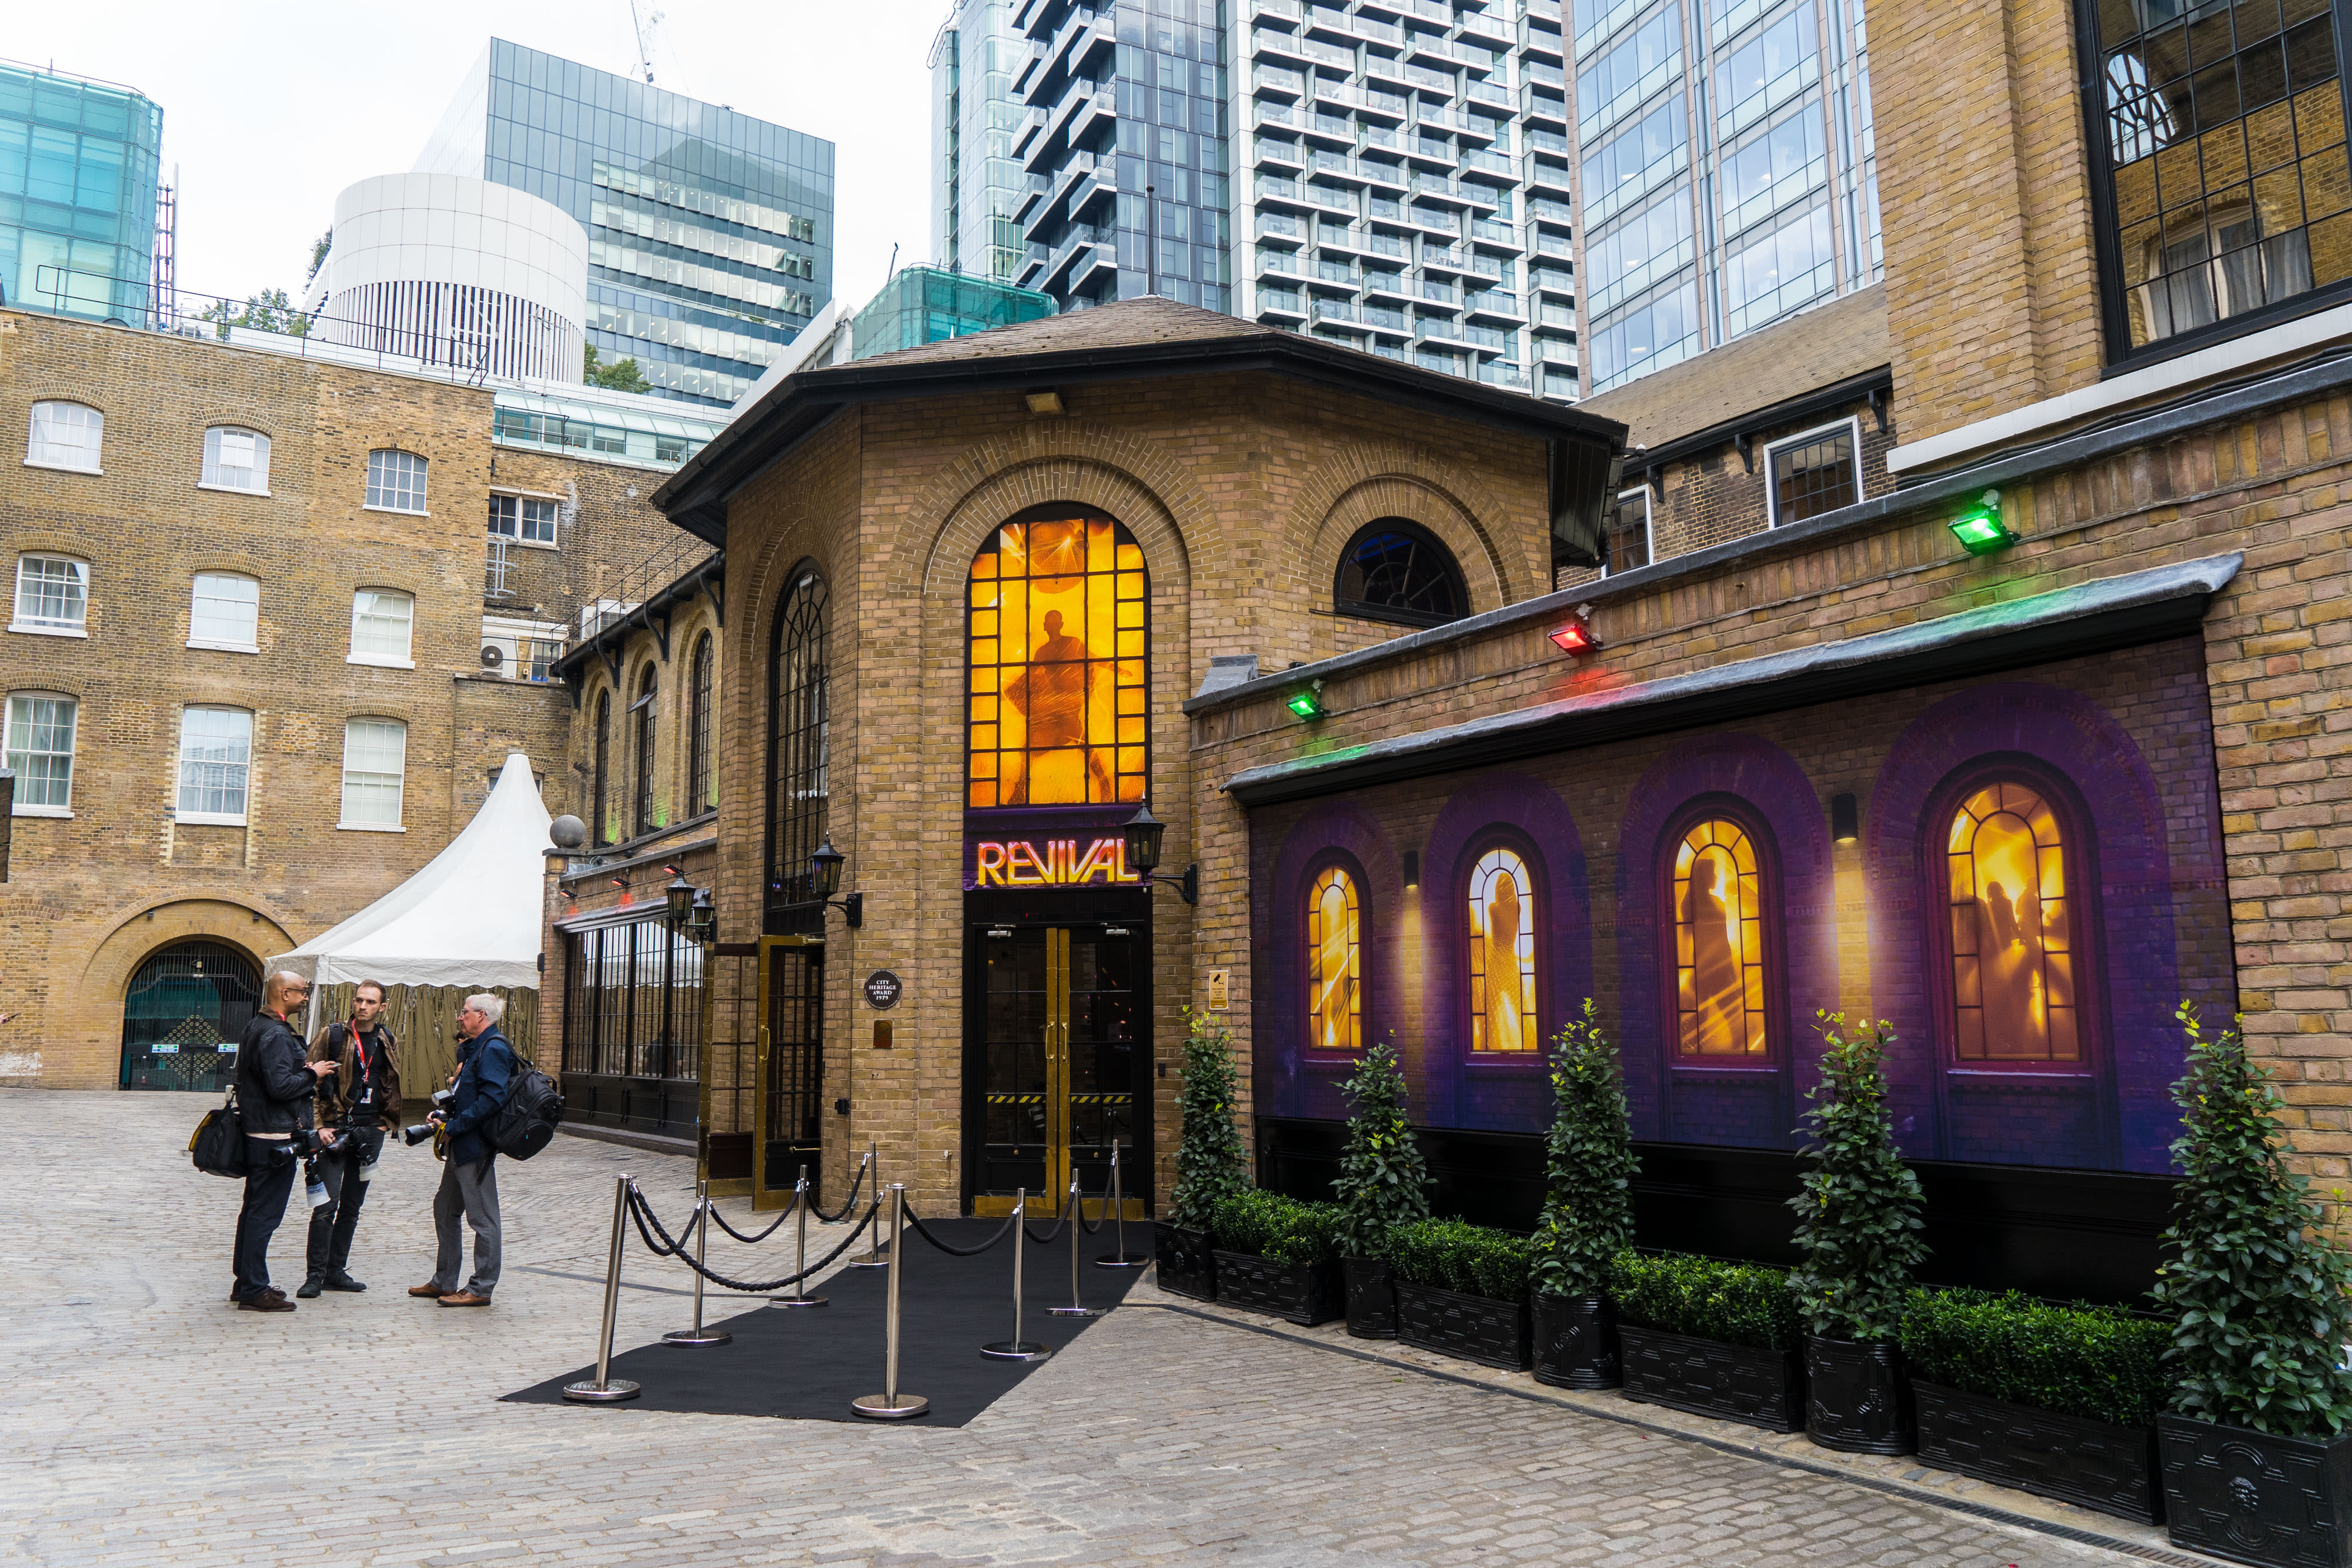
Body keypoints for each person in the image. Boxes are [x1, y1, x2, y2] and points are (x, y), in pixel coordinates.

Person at [230, 971, 338, 1312]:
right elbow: (280, 1087)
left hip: (261, 1130)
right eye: (303, 993)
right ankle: (253, 1289)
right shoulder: (275, 1032)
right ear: (285, 993)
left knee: (254, 1210)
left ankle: (245, 1282)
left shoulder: (257, 1026)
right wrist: (312, 1074)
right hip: (273, 1136)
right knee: (264, 1214)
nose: (306, 998)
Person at [297, 981, 402, 1298]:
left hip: (370, 1132)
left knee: (352, 1207)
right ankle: (314, 1276)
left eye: (370, 1002)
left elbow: (390, 1081)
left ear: (382, 1007)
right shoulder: (333, 1035)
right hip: (335, 1129)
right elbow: (309, 1081)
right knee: (326, 1206)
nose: (363, 1006)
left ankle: (335, 1271)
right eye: (359, 1000)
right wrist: (318, 1126)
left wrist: (386, 1123)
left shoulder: (387, 1038)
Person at [413, 994, 514, 1308]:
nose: (460, 1017)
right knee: (445, 1209)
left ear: (482, 1015)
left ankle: (481, 1288)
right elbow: (467, 1095)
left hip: (475, 1146)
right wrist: (445, 1116)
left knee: (483, 1220)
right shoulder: (475, 1048)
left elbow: (491, 1101)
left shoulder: (494, 1048)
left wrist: (454, 1127)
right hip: (462, 1143)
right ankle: (444, 1281)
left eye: (465, 1012)